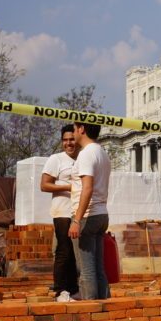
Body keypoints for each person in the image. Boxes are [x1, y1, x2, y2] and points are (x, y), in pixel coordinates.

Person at [68, 121, 111, 300]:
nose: (73, 133)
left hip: (88, 216)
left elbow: (87, 188)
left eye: (74, 129)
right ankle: (104, 310)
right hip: (101, 214)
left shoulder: (86, 154)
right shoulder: (102, 152)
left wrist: (77, 220)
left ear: (81, 129)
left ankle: (90, 314)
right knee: (98, 268)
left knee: (86, 271)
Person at [40, 124, 81, 301]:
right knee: (64, 250)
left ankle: (73, 289)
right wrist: (68, 187)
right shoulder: (56, 159)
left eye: (71, 139)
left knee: (75, 252)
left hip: (80, 211)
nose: (68, 143)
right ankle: (61, 290)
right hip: (62, 211)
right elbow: (44, 184)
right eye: (65, 140)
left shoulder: (84, 157)